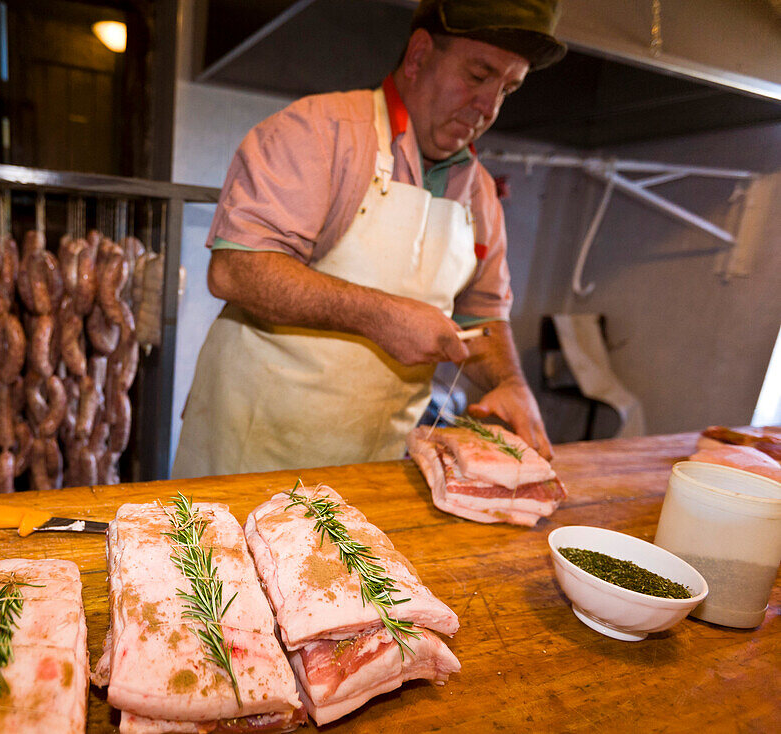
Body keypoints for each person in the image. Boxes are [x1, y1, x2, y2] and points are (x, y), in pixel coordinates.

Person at [172, 0, 567, 480]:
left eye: (507, 88)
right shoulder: (318, 132)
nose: (489, 107)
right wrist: (381, 316)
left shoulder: (480, 192)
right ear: (419, 56)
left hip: (369, 471)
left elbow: (481, 317)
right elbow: (238, 270)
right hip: (250, 455)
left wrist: (510, 383)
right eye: (478, 75)